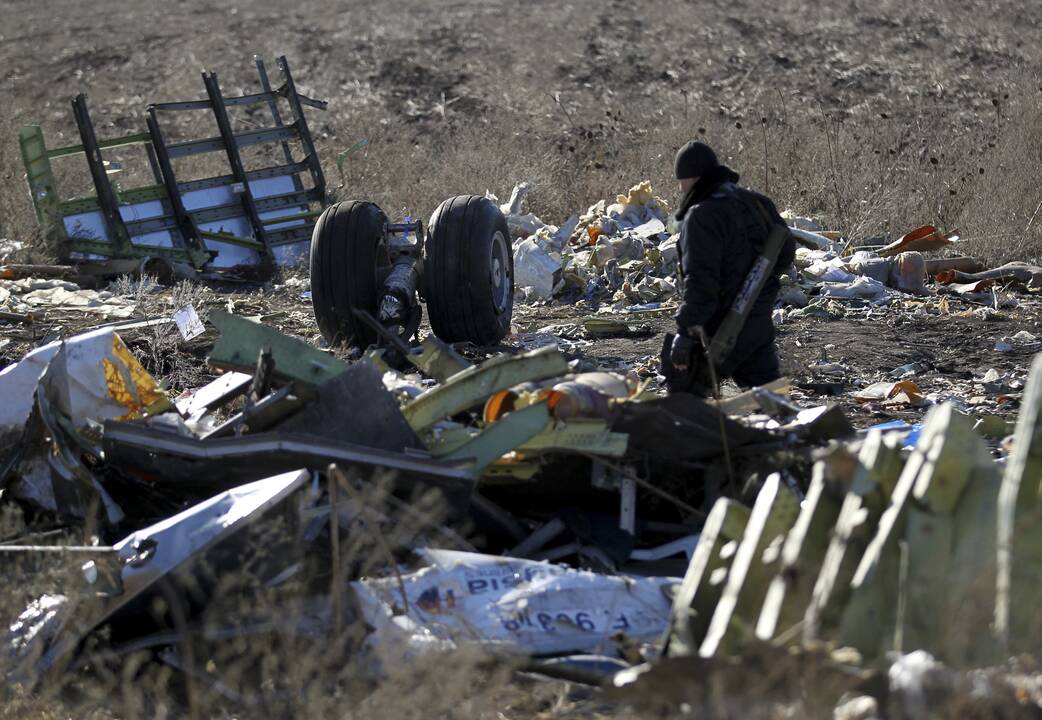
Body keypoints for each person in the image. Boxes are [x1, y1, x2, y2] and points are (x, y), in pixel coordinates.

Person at [666, 141, 795, 394]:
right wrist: (758, 290)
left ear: (691, 177)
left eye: (681, 181)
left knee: (684, 406)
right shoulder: (758, 202)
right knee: (774, 403)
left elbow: (701, 281)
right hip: (757, 320)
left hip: (721, 330)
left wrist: (684, 331)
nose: (680, 188)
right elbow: (786, 251)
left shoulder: (702, 215)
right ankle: (797, 433)